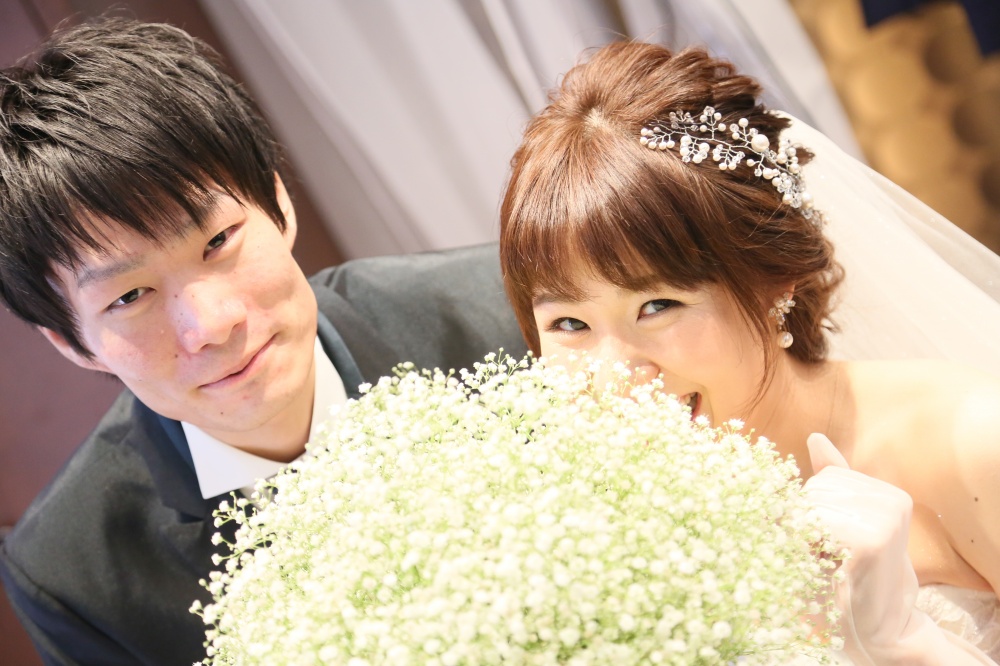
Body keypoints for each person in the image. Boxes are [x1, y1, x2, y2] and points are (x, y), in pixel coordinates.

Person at [0, 18, 526, 665]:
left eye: (218, 241)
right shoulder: (73, 579)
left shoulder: (506, 311)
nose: (211, 324)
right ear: (73, 343)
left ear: (278, 203)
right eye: (129, 296)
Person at [499, 41, 1000, 664]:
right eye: (570, 323)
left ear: (774, 282)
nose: (617, 377)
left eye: (658, 305)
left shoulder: (974, 440)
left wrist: (904, 645)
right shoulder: (571, 527)